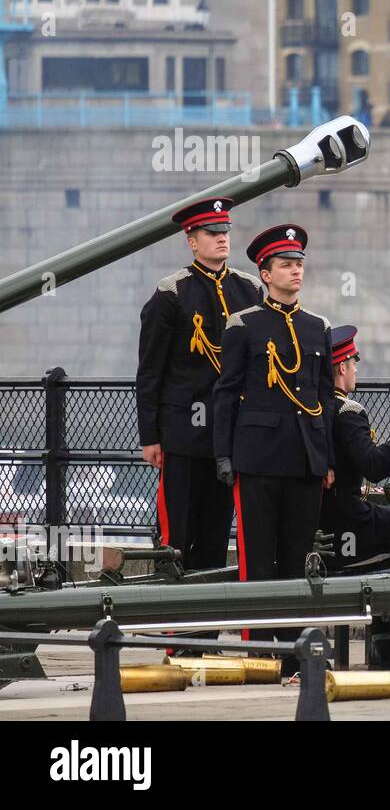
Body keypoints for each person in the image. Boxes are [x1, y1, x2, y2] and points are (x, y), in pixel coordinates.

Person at [211, 224, 334, 659]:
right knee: (259, 558)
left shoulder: (318, 326)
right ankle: (262, 651)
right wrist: (223, 453)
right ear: (265, 273)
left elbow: (324, 397)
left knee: (299, 558)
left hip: (304, 458)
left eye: (299, 264)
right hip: (259, 457)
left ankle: (296, 647)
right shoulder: (243, 325)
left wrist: (327, 458)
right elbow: (225, 392)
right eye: (286, 265)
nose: (296, 271)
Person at [136, 197, 260, 574]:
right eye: (212, 233)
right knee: (176, 536)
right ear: (192, 240)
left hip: (229, 436)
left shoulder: (249, 290)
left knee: (215, 534)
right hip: (182, 435)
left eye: (225, 231)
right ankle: (166, 626)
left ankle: (201, 630)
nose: (222, 239)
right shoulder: (172, 293)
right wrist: (151, 436)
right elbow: (150, 371)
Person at [321, 324, 390, 571]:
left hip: (321, 514)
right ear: (342, 367)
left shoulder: (315, 409)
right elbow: (373, 467)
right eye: (353, 364)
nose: (355, 370)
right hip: (349, 516)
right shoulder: (349, 411)